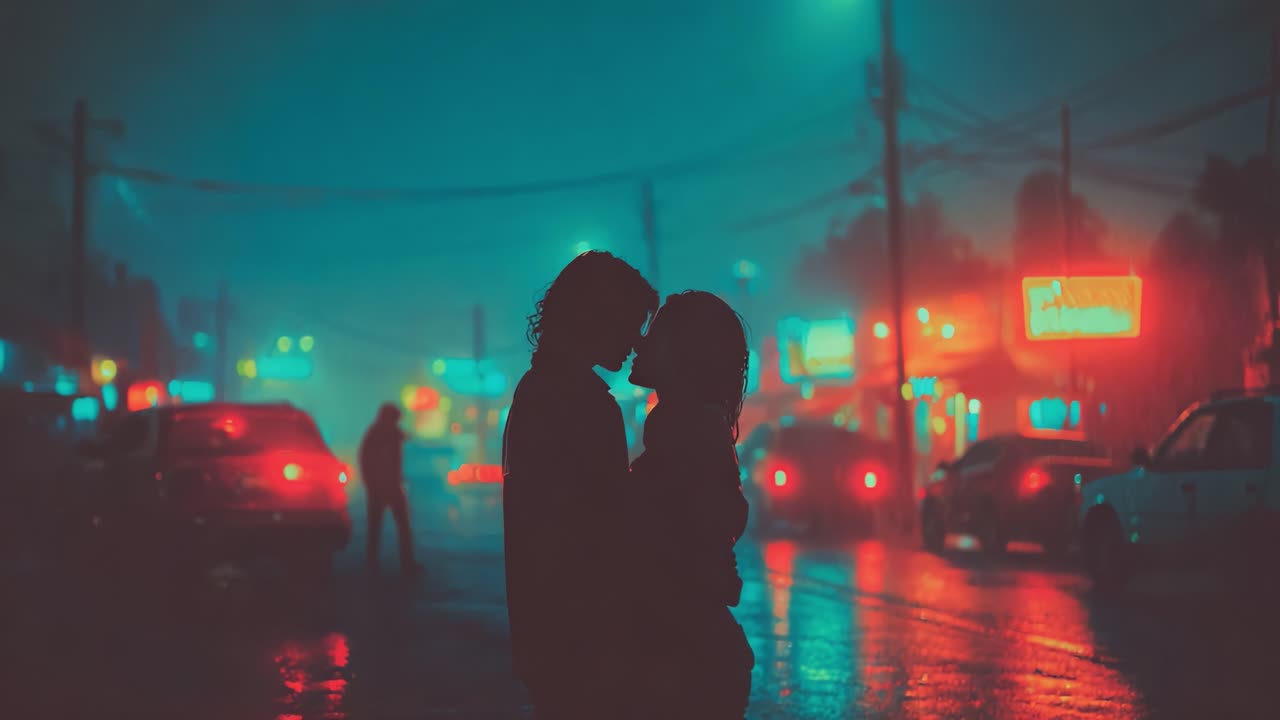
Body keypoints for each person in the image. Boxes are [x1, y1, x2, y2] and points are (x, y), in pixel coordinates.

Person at [502, 251, 658, 719]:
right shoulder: (581, 403)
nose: (635, 342)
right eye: (630, 323)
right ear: (597, 317)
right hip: (584, 641)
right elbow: (604, 527)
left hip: (551, 637)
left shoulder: (538, 390)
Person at [625, 290, 755, 719]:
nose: (641, 342)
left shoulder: (684, 427)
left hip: (685, 651)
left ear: (685, 354)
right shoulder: (693, 424)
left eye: (657, 334)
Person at [359, 403, 422, 575]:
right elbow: (404, 438)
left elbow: (364, 460)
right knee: (401, 525)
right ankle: (406, 563)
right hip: (388, 486)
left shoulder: (376, 433)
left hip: (382, 486)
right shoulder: (387, 433)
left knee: (376, 527)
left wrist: (369, 483)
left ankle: (373, 562)